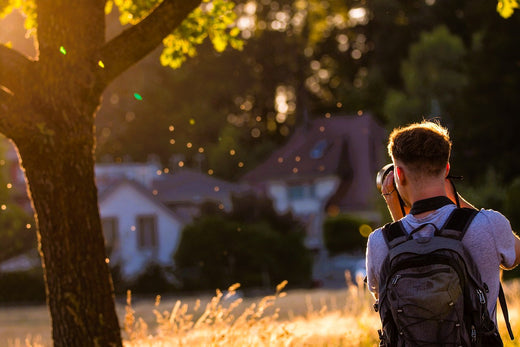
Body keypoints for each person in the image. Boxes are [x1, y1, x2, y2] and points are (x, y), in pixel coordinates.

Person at [366, 120, 520, 326]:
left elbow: (388, 303)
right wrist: (455, 199)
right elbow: (516, 255)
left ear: (399, 175)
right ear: (446, 168)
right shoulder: (490, 225)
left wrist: (396, 212)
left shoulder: (380, 242)